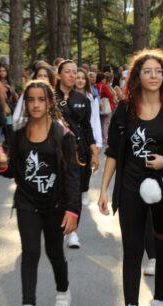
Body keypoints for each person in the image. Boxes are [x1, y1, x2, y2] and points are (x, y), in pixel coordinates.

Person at [98, 48, 163, 306]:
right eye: (147, 71)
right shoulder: (125, 109)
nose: (153, 75)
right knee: (132, 249)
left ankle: (159, 301)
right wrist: (103, 190)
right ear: (137, 75)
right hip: (131, 186)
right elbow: (112, 152)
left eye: (158, 71)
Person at [0, 80, 80, 306]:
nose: (35, 105)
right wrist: (1, 166)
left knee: (54, 252)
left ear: (50, 102)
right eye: (31, 99)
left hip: (55, 204)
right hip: (27, 201)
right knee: (30, 252)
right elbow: (14, 171)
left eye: (41, 99)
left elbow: (72, 176)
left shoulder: (63, 135)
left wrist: (73, 210)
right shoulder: (19, 134)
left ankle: (63, 292)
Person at [56, 60, 99, 248]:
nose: (72, 75)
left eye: (75, 72)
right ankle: (57, 228)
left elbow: (87, 127)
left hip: (79, 153)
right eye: (68, 72)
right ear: (58, 75)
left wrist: (94, 151)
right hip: (56, 152)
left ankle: (73, 232)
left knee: (76, 191)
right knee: (58, 192)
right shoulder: (49, 97)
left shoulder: (83, 100)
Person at [75, 67, 103, 164]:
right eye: (77, 78)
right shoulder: (67, 98)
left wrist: (98, 141)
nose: (80, 80)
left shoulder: (92, 98)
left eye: (83, 78)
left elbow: (96, 120)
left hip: (88, 138)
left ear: (86, 81)